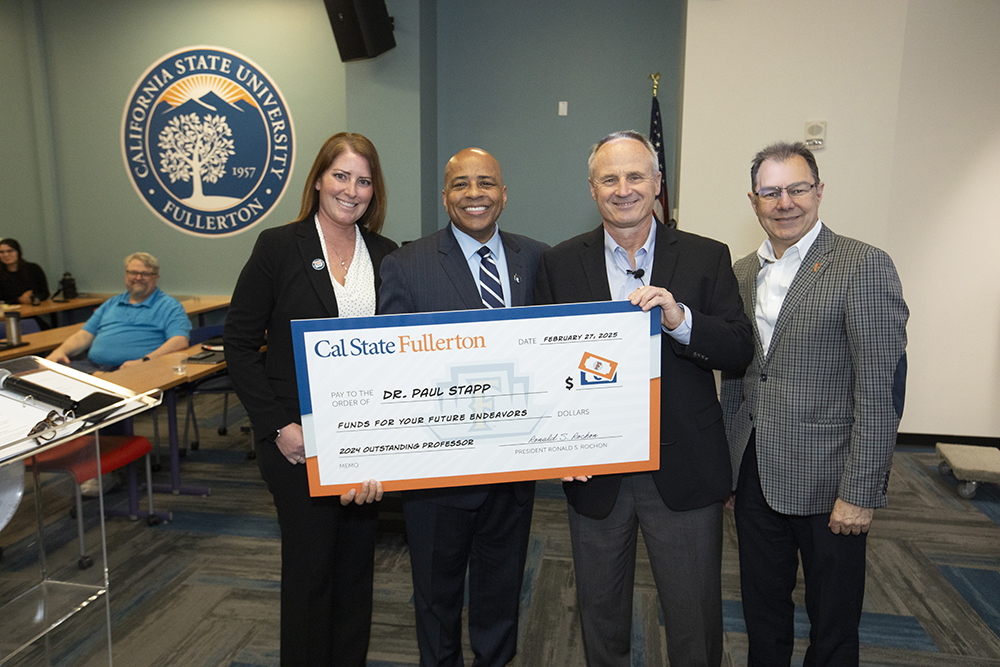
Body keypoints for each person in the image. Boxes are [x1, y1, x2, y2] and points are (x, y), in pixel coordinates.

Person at [534, 131, 753, 667]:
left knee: (693, 619)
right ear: (592, 190)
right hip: (595, 469)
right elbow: (541, 365)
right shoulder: (559, 264)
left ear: (658, 184)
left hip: (684, 465)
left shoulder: (706, 256)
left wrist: (681, 322)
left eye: (636, 176)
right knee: (599, 613)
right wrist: (558, 446)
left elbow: (739, 350)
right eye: (610, 179)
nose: (624, 189)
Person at [721, 142, 908, 667]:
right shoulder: (739, 272)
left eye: (797, 188)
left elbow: (879, 390)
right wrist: (731, 470)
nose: (785, 202)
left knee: (832, 625)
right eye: (770, 192)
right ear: (753, 201)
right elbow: (737, 379)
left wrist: (861, 490)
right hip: (756, 476)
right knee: (762, 613)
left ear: (819, 191)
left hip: (832, 484)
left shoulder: (863, 266)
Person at [225, 132, 396, 667]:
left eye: (363, 180)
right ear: (319, 179)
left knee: (356, 570)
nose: (351, 189)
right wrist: (279, 427)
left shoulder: (389, 254)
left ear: (374, 190)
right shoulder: (279, 246)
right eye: (341, 176)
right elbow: (239, 342)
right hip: (297, 441)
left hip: (366, 441)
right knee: (310, 570)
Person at [378, 147, 547, 667]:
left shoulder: (539, 258)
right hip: (438, 472)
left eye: (486, 183)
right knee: (436, 598)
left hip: (515, 468)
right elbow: (390, 368)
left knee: (501, 594)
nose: (475, 195)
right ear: (445, 195)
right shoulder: (406, 265)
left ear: (504, 193)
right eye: (461, 185)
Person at [47, 252, 190, 372]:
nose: (138, 278)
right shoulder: (112, 303)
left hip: (136, 369)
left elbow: (180, 341)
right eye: (133, 272)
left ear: (156, 278)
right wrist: (60, 351)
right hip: (91, 366)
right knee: (46, 376)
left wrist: (144, 361)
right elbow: (85, 335)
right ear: (126, 275)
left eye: (145, 274)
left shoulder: (169, 306)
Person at [0, 238, 50, 305]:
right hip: (7, 313)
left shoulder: (33, 268)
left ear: (18, 252)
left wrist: (32, 297)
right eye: (1, 252)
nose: (6, 255)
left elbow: (45, 293)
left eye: (10, 251)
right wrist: (18, 300)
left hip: (32, 311)